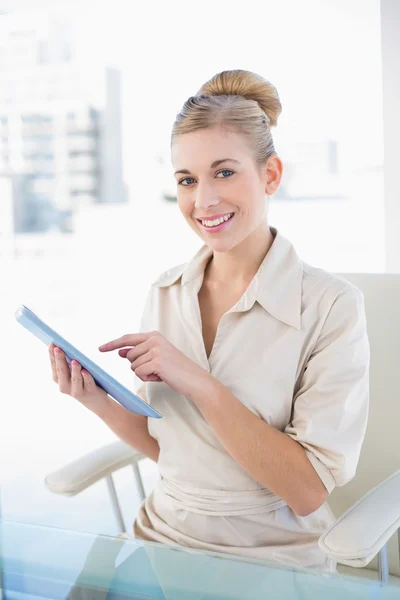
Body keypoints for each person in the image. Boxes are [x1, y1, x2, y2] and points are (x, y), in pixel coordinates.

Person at [49, 69, 370, 572]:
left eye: (224, 172)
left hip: (272, 559)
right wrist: (98, 401)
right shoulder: (166, 291)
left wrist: (197, 381)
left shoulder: (332, 306)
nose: (204, 201)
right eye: (187, 180)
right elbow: (174, 451)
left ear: (270, 175)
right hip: (159, 539)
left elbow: (307, 492)